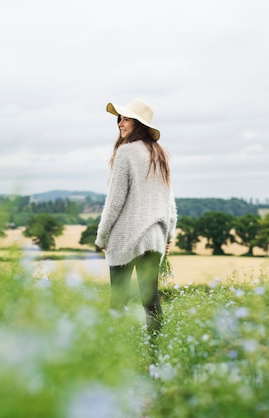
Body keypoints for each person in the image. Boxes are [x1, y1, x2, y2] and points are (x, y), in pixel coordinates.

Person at [95, 98, 177, 345]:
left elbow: (115, 201)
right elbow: (169, 201)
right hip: (153, 238)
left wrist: (102, 236)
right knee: (150, 299)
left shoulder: (126, 152)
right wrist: (169, 236)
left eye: (126, 118)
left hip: (126, 236)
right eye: (119, 118)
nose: (120, 123)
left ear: (139, 124)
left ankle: (113, 353)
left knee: (117, 300)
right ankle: (155, 354)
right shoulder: (159, 154)